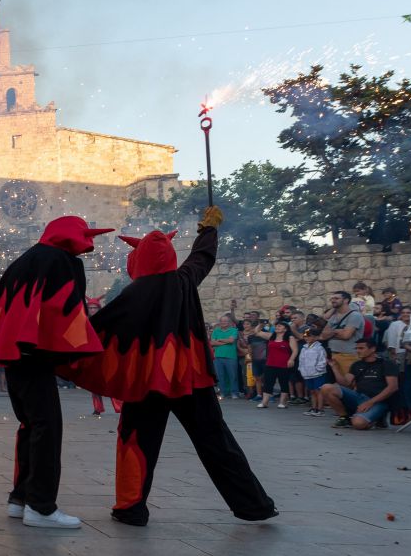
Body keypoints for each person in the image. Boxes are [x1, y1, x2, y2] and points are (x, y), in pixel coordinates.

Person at [60, 206, 276, 527]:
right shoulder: (184, 280)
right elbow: (202, 258)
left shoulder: (133, 294)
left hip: (148, 381)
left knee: (136, 439)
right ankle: (254, 506)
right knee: (216, 439)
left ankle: (131, 508)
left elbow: (99, 328)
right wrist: (208, 230)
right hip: (192, 378)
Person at [0, 216, 113, 529]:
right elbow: (67, 312)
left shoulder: (24, 260)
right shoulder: (62, 262)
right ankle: (41, 506)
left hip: (15, 356)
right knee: (47, 428)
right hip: (35, 356)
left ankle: (20, 499)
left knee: (31, 425)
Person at [321, 338, 399, 429]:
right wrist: (334, 367)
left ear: (373, 349)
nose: (358, 351)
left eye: (361, 348)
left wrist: (370, 403)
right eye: (357, 348)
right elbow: (346, 383)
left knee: (358, 424)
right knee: (326, 387)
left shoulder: (386, 364)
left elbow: (392, 387)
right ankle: (344, 417)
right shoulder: (357, 364)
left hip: (378, 401)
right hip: (358, 397)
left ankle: (377, 418)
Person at [254, 320, 298, 409]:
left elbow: (295, 350)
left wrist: (291, 359)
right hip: (270, 363)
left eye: (280, 326)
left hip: (284, 364)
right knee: (268, 383)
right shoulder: (271, 336)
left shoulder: (290, 338)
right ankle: (264, 402)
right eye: (276, 326)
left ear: (285, 329)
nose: (277, 327)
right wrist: (261, 324)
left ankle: (282, 402)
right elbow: (257, 332)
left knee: (284, 383)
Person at [321, 291, 364, 376]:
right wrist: (338, 331)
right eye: (332, 298)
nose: (333, 300)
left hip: (348, 355)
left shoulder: (355, 316)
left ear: (346, 300)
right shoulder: (333, 317)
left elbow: (346, 335)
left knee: (348, 382)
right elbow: (324, 335)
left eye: (336, 298)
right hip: (333, 355)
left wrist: (331, 332)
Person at [298, 326, 328, 417]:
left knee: (318, 391)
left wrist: (318, 369)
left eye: (309, 336)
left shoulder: (319, 348)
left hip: (317, 374)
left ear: (316, 337)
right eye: (305, 336)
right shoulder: (304, 348)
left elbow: (322, 360)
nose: (307, 338)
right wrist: (301, 369)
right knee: (312, 391)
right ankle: (314, 408)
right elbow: (301, 360)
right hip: (307, 374)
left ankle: (320, 409)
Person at [210, 314, 240, 399]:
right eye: (222, 321)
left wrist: (219, 340)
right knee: (220, 376)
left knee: (233, 376)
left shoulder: (234, 330)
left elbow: (231, 340)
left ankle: (234, 393)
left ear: (229, 322)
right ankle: (223, 393)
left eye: (225, 321)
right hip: (218, 357)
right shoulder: (216, 331)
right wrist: (226, 341)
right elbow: (212, 343)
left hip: (231, 356)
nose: (223, 322)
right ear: (219, 322)